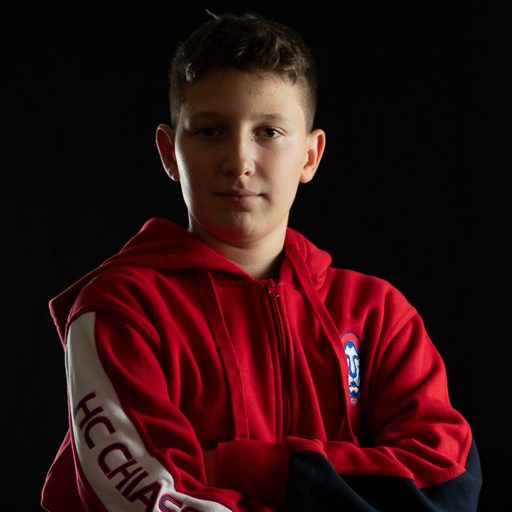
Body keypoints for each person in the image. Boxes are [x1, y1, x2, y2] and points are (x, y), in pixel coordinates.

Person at [41, 11, 482, 512]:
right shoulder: (119, 310)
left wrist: (258, 468)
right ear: (168, 152)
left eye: (269, 132)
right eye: (210, 131)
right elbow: (154, 501)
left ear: (310, 156)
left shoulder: (379, 314)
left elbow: (447, 488)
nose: (239, 162)